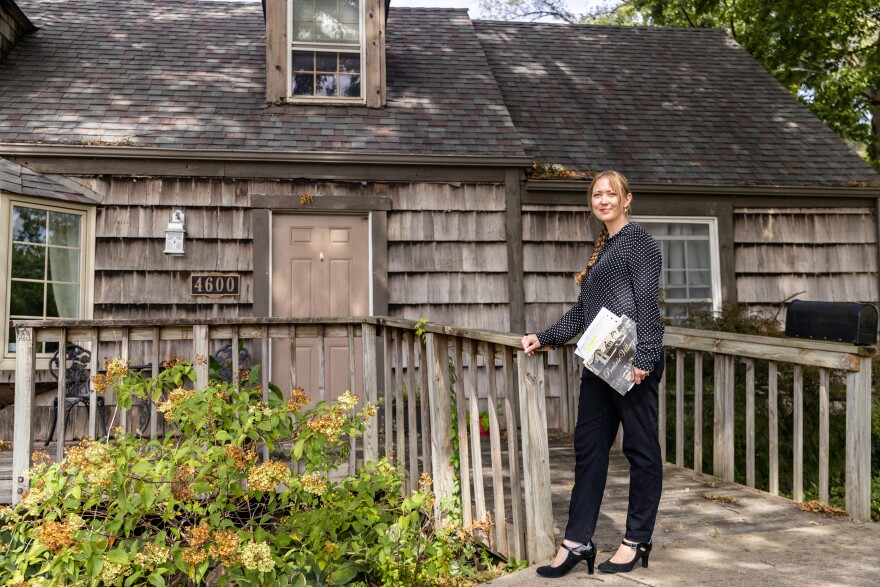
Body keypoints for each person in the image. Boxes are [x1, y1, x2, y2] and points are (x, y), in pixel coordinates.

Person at [521, 170, 664, 577]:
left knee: (641, 453)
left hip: (634, 364)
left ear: (627, 199)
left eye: (611, 194)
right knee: (589, 452)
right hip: (602, 362)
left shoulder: (639, 243)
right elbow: (584, 315)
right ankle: (578, 541)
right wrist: (543, 336)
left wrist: (647, 357)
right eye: (597, 194)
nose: (603, 200)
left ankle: (636, 539)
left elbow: (647, 304)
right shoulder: (602, 249)